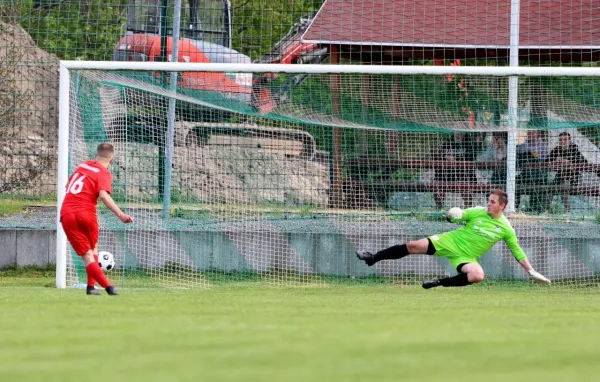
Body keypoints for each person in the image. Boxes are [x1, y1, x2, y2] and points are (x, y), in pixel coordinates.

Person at [356, 190, 551, 289]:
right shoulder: (477, 212)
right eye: (488, 200)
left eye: (492, 202)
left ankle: (438, 283)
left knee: (477, 276)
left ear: (502, 206)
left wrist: (531, 271)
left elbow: (517, 252)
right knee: (412, 245)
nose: (488, 204)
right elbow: (457, 216)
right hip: (449, 241)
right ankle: (373, 258)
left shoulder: (506, 228)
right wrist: (452, 215)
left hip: (466, 256)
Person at [60, 143, 134, 296]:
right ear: (111, 158)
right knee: (93, 249)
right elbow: (103, 195)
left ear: (96, 154)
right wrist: (121, 214)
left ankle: (91, 287)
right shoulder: (104, 173)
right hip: (86, 212)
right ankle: (109, 288)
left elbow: (68, 186)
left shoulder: (82, 166)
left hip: (67, 212)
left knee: (87, 255)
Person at [433, 133, 479, 209]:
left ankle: (468, 209)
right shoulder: (446, 143)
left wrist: (456, 160)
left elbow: (471, 159)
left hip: (463, 173)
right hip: (447, 173)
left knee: (466, 183)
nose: (458, 134)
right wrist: (446, 160)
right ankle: (439, 208)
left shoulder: (470, 144)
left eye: (460, 132)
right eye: (456, 132)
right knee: (438, 183)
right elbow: (438, 158)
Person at [547, 132, 587, 212]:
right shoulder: (556, 150)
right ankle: (546, 210)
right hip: (559, 176)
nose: (563, 141)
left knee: (564, 188)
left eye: (565, 139)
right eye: (561, 140)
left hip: (572, 177)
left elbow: (584, 163)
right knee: (549, 189)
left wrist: (569, 162)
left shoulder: (575, 151)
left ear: (570, 140)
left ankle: (567, 212)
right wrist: (555, 162)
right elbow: (547, 161)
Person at [515, 130, 550, 213]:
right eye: (529, 132)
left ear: (538, 133)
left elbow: (544, 162)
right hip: (525, 174)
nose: (530, 134)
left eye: (533, 132)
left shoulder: (543, 146)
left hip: (538, 174)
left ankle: (535, 208)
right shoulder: (522, 146)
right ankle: (515, 207)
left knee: (539, 183)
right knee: (514, 181)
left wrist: (531, 156)